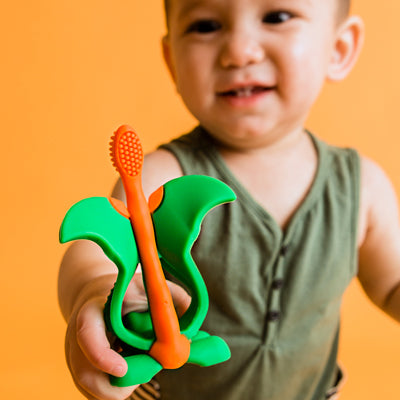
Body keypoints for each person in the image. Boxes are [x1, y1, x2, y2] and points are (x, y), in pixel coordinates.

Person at [58, 0, 400, 399]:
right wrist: (93, 290)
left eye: (277, 17)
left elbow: (392, 283)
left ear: (339, 50)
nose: (239, 51)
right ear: (172, 61)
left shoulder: (361, 185)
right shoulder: (162, 179)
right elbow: (95, 256)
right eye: (205, 26)